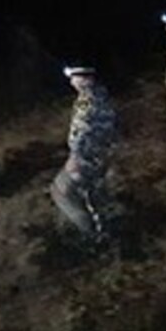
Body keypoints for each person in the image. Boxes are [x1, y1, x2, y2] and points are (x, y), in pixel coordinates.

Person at [50, 65, 118, 241]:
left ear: (84, 79)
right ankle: (105, 232)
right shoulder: (102, 94)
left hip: (87, 156)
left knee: (62, 191)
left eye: (74, 77)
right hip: (103, 154)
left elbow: (83, 129)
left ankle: (88, 234)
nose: (72, 82)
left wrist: (75, 156)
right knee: (94, 195)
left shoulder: (86, 99)